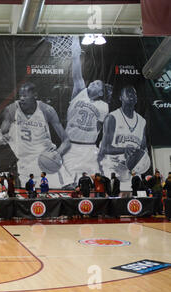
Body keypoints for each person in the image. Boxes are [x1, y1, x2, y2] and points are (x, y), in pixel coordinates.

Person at [0, 82, 73, 189]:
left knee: (61, 198)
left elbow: (66, 141)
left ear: (35, 96)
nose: (22, 99)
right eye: (20, 96)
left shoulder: (46, 110)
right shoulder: (11, 110)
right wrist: (2, 138)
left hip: (47, 162)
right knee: (32, 202)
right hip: (25, 166)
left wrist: (57, 154)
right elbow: (0, 136)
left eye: (25, 95)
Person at [62, 36, 111, 185]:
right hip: (71, 145)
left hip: (89, 148)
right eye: (93, 82)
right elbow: (76, 65)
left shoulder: (104, 107)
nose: (92, 84)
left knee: (98, 183)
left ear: (101, 93)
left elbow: (101, 128)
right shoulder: (79, 91)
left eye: (97, 84)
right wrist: (75, 38)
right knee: (70, 184)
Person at [99, 86, 150, 191]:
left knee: (134, 201)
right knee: (115, 202)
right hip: (113, 168)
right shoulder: (112, 117)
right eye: (128, 93)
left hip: (131, 170)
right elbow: (104, 148)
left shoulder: (142, 121)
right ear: (120, 97)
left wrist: (144, 162)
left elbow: (143, 149)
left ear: (137, 99)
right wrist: (124, 150)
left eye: (134, 94)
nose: (132, 95)